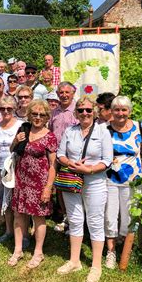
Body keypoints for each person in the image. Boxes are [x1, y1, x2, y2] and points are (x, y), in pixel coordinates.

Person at [56, 98, 113, 282]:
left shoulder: (102, 132)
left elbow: (107, 160)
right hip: (71, 180)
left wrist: (89, 169)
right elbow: (60, 154)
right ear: (76, 113)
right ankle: (74, 261)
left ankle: (96, 266)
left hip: (94, 181)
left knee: (95, 221)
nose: (85, 113)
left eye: (88, 110)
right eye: (81, 110)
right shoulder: (70, 131)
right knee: (74, 219)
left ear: (94, 111)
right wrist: (70, 163)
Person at [104, 96, 142, 269]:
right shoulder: (104, 129)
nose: (120, 113)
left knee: (129, 216)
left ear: (129, 111)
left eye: (124, 110)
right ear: (111, 111)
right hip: (109, 179)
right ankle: (111, 251)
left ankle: (126, 248)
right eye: (117, 109)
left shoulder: (139, 126)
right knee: (110, 215)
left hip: (133, 180)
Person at [8, 100, 57, 268]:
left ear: (46, 117)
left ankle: (38, 252)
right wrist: (16, 140)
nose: (37, 117)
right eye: (34, 114)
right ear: (29, 115)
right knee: (19, 215)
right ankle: (18, 249)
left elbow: (53, 165)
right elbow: (12, 150)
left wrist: (48, 188)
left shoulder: (50, 136)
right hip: (22, 181)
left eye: (41, 115)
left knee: (38, 217)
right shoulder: (24, 129)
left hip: (39, 184)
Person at [0, 97, 23, 244]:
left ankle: (24, 234)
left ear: (15, 109)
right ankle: (9, 231)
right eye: (2, 108)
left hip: (16, 168)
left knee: (18, 202)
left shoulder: (20, 125)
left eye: (9, 108)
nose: (6, 111)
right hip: (1, 168)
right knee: (6, 201)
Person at [49, 81, 79, 233]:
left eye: (67, 92)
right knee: (59, 187)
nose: (64, 95)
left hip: (71, 155)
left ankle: (75, 220)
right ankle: (65, 216)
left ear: (73, 93)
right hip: (55, 155)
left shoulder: (78, 111)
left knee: (72, 187)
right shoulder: (54, 111)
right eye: (61, 92)